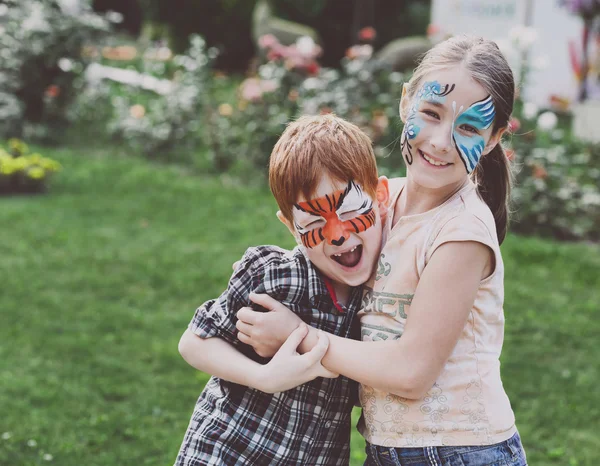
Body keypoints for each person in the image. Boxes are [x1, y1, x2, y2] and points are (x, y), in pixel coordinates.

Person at [237, 35, 528, 465]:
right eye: (430, 114)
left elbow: (411, 373)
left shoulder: (462, 231)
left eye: (468, 127)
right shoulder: (376, 204)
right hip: (390, 449)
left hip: (463, 451)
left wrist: (297, 336)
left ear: (492, 139)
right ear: (405, 102)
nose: (440, 141)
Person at [174, 114, 391, 466]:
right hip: (229, 454)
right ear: (291, 227)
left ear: (380, 197)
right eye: (313, 222)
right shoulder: (275, 277)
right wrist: (263, 377)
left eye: (350, 209)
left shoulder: (380, 297)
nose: (337, 234)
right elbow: (194, 341)